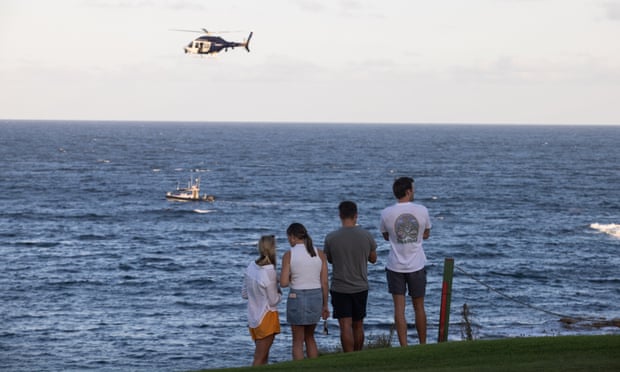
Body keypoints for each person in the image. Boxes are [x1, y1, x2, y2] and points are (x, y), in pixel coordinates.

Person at [379, 177, 432, 346]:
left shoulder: (386, 213)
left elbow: (386, 236)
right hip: (417, 264)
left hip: (395, 265)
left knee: (399, 309)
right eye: (413, 189)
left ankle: (404, 346)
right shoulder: (422, 210)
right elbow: (426, 233)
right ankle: (423, 343)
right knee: (419, 307)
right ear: (408, 191)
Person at [324, 201, 377, 352]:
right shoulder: (366, 235)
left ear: (340, 215)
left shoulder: (331, 238)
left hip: (340, 287)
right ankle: (358, 355)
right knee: (358, 324)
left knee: (345, 325)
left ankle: (348, 356)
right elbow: (373, 259)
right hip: (360, 286)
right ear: (356, 215)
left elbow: (330, 259)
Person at [280, 223, 330, 360]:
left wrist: (291, 276)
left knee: (297, 340)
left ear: (292, 237)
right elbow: (324, 283)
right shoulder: (319, 253)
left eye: (288, 238)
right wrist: (325, 305)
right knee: (310, 337)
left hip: (297, 297)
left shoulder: (289, 255)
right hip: (316, 296)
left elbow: (283, 283)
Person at [241, 235, 282, 366]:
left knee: (262, 357)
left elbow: (244, 294)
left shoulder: (251, 266)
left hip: (253, 318)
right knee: (260, 358)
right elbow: (273, 301)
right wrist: (279, 291)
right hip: (267, 317)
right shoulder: (270, 271)